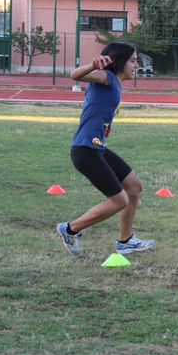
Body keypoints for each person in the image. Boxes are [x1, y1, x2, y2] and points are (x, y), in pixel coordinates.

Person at [56, 42, 154, 256]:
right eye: (133, 60)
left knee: (134, 187)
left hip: (98, 148)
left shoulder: (115, 82)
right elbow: (75, 75)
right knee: (119, 201)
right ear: (119, 62)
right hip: (85, 150)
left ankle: (125, 241)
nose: (136, 65)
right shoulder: (105, 77)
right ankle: (70, 229)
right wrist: (92, 66)